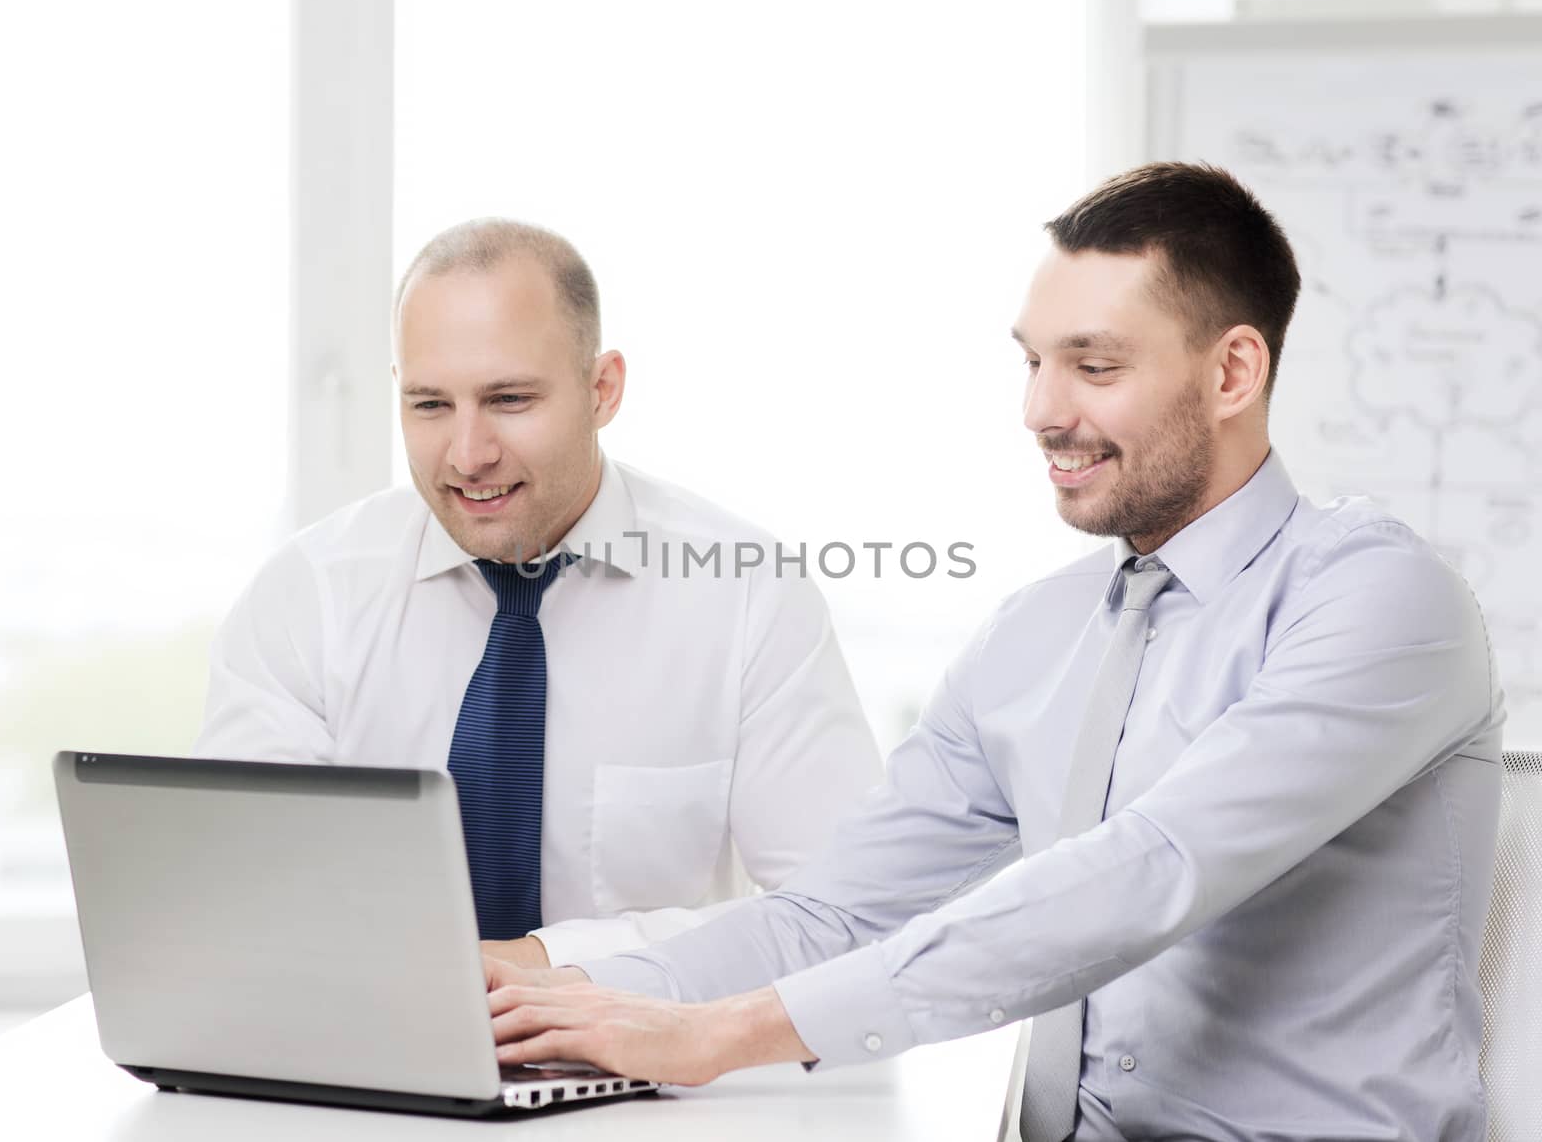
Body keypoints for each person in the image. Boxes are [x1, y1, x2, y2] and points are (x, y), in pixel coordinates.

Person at [483, 164, 1505, 1142]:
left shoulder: (1379, 602)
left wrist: (721, 1035)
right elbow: (835, 915)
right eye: (1033, 361)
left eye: (1094, 367)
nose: (1042, 412)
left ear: (1233, 370)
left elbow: (1151, 871)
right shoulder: (1036, 635)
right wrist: (559, 1003)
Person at [193, 219, 881, 969]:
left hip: (655, 1073)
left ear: (602, 388)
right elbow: (243, 904)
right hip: (359, 1066)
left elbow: (843, 914)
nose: (468, 454)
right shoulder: (308, 599)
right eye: (429, 405)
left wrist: (550, 963)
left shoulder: (747, 595)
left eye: (510, 399)